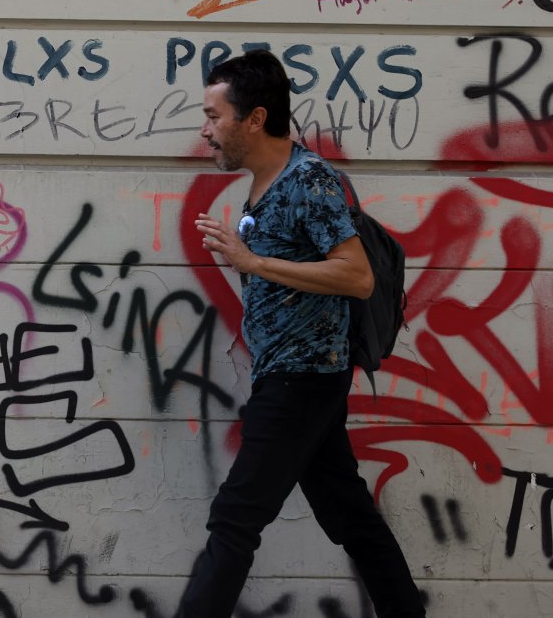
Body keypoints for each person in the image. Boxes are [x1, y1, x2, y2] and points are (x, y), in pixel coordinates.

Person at [175, 50, 426, 618]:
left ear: (255, 119)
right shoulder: (265, 187)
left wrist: (253, 263)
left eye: (214, 116)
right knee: (350, 517)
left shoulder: (307, 179)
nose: (206, 130)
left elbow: (357, 276)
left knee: (235, 520)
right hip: (299, 379)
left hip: (301, 381)